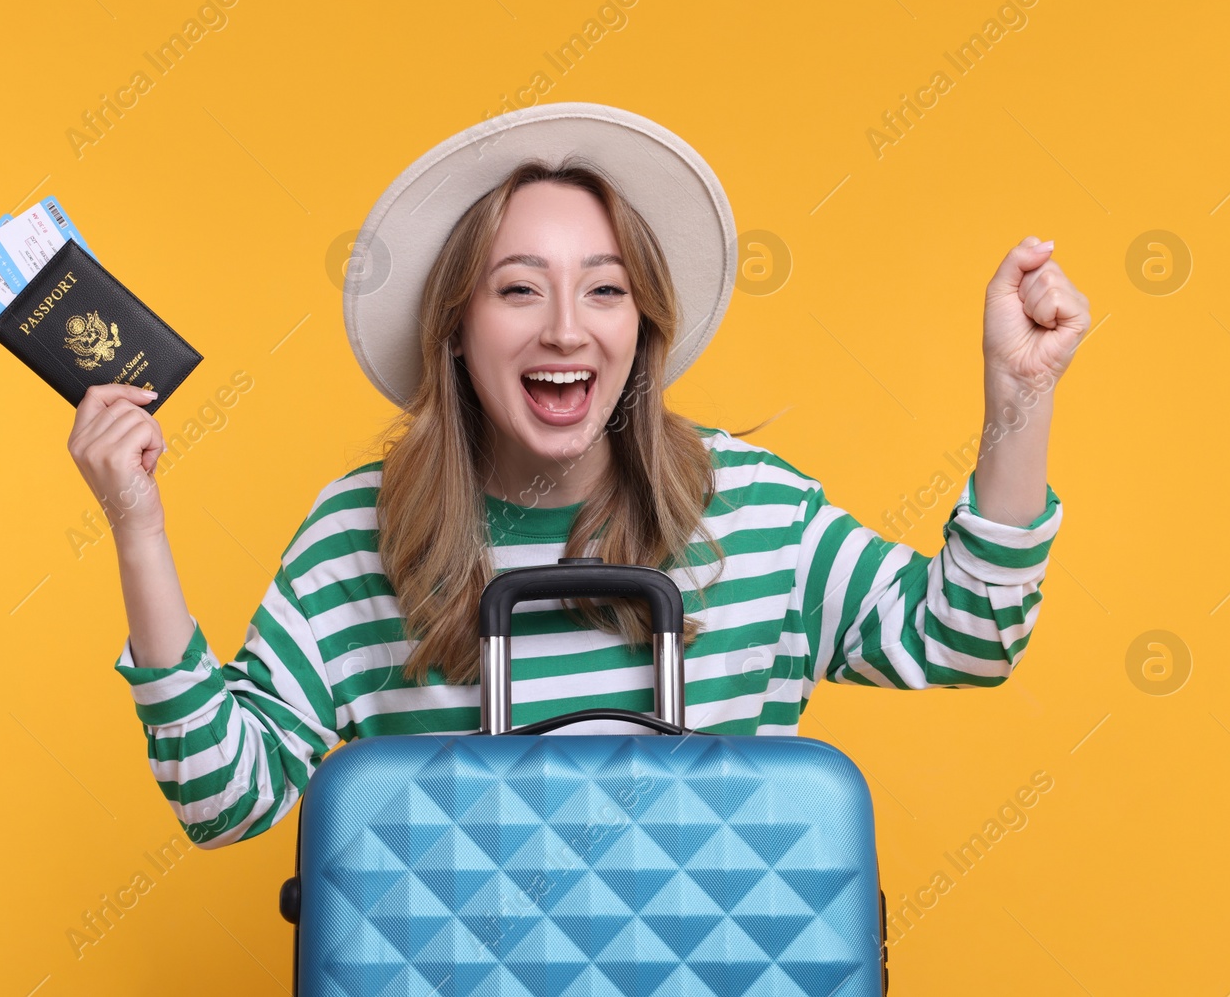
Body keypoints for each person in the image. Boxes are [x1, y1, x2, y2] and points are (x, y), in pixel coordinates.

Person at [67, 103, 1089, 849]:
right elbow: (223, 798)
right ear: (457, 330)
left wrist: (1020, 397)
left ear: (640, 327)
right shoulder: (359, 537)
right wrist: (137, 527)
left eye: (605, 289)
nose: (565, 326)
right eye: (518, 289)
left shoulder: (751, 509)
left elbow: (964, 636)